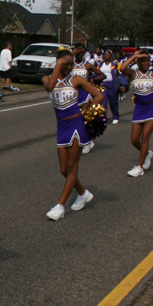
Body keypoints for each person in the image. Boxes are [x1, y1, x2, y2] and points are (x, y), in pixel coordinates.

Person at [43, 49, 104, 221]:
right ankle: (83, 194)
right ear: (58, 62)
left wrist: (88, 111)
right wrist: (58, 66)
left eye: (71, 64)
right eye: (66, 63)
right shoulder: (47, 79)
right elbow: (49, 87)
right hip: (61, 127)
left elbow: (98, 95)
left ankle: (60, 206)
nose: (70, 66)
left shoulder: (76, 79)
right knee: (63, 169)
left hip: (77, 124)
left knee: (71, 167)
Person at [119, 52, 153, 177]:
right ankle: (147, 153)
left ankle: (140, 167)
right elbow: (121, 68)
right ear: (138, 62)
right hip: (139, 108)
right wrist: (133, 56)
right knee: (134, 140)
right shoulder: (133, 74)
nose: (146, 63)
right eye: (143, 60)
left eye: (148, 60)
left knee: (145, 137)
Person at [71, 43, 105, 153]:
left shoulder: (87, 65)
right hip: (73, 94)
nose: (80, 54)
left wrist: (94, 80)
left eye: (82, 52)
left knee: (83, 118)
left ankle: (87, 142)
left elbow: (103, 75)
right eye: (78, 51)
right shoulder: (69, 64)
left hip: (85, 93)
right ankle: (80, 139)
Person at [99, 50, 120, 124]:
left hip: (112, 85)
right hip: (103, 86)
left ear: (111, 56)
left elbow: (120, 75)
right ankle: (103, 118)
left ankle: (116, 117)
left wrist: (123, 85)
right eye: (105, 54)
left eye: (107, 54)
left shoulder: (115, 64)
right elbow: (96, 73)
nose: (105, 56)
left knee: (113, 102)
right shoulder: (100, 65)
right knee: (103, 103)